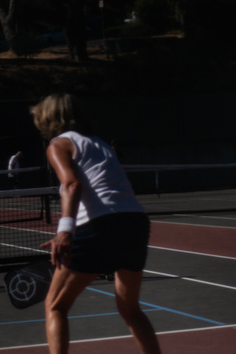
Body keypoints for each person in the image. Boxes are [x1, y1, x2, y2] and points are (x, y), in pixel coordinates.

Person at [31, 93, 161, 354]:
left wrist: (64, 232)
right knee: (131, 309)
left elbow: (71, 184)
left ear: (46, 120)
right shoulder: (101, 144)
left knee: (55, 305)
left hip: (98, 226)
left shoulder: (59, 144)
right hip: (135, 222)